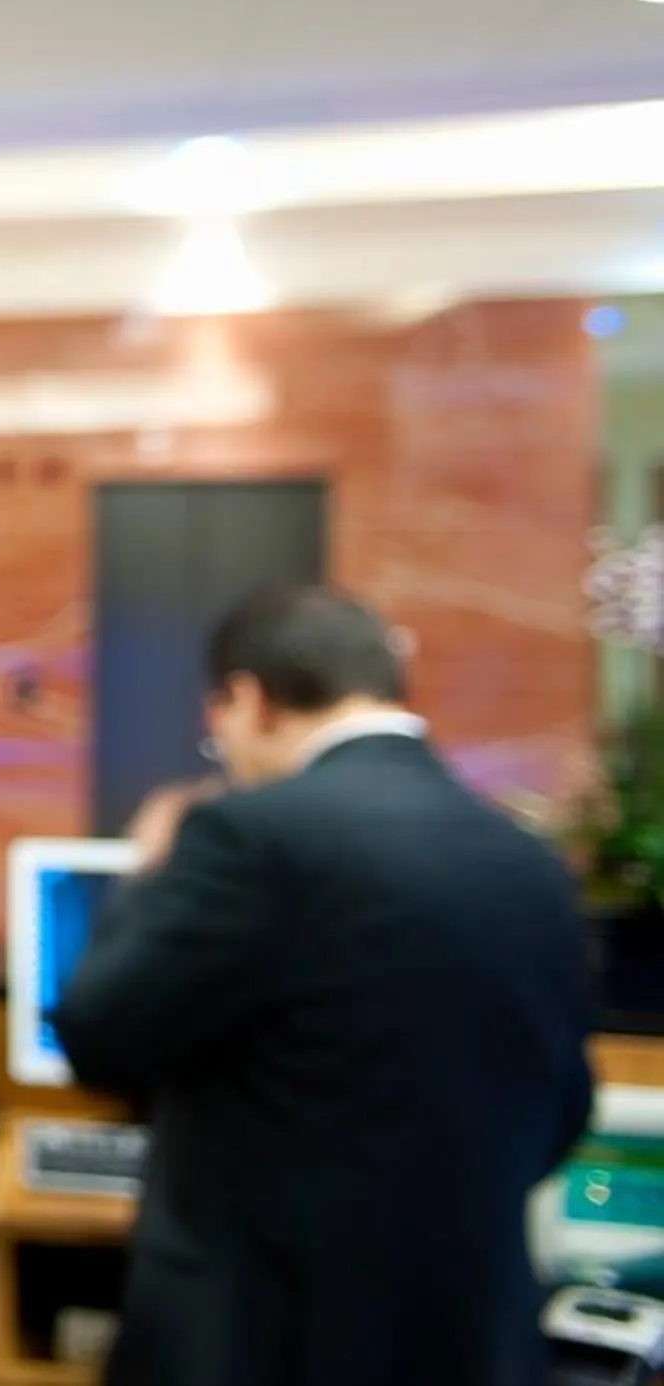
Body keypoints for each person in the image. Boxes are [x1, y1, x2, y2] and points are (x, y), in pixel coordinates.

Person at [55, 584, 597, 1386]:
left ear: (248, 698)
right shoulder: (533, 861)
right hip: (471, 1339)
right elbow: (561, 1103)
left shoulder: (249, 835)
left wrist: (144, 871)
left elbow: (100, 1034)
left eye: (221, 732)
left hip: (266, 1342)